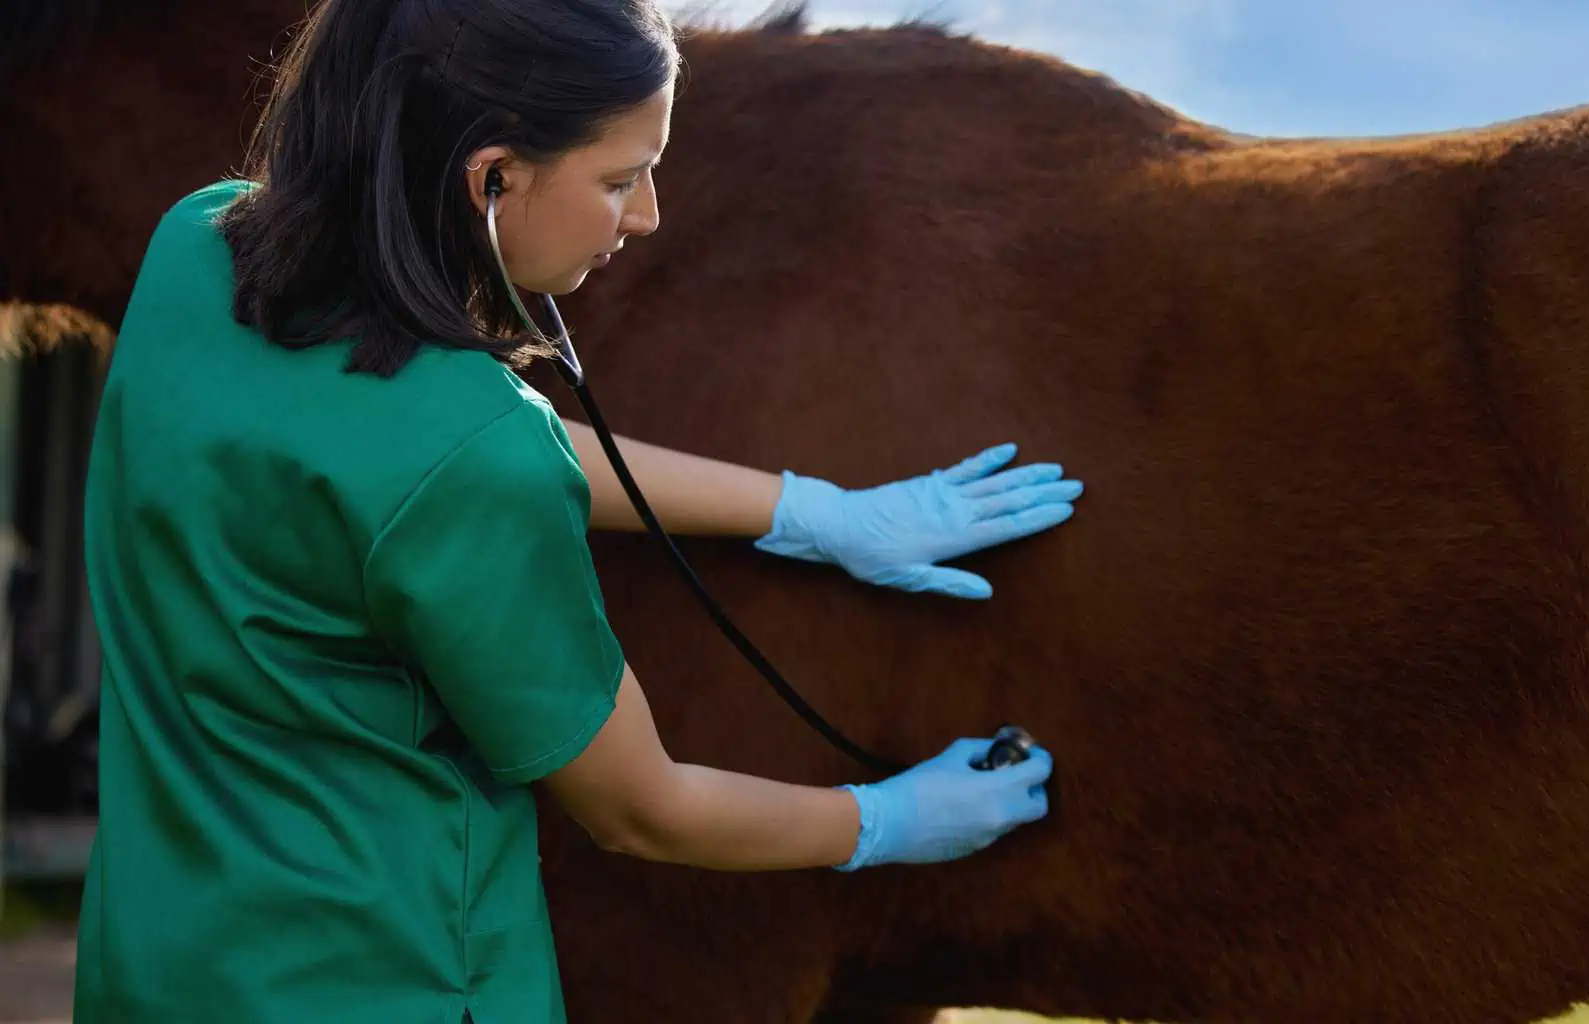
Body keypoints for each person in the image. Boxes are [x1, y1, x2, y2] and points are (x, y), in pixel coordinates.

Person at [73, 1, 1079, 1021]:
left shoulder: (195, 250)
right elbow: (642, 806)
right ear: (491, 177)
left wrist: (812, 513)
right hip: (396, 987)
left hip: (155, 969)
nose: (645, 216)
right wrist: (887, 819)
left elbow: (421, 460)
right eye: (618, 179)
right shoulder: (471, 456)